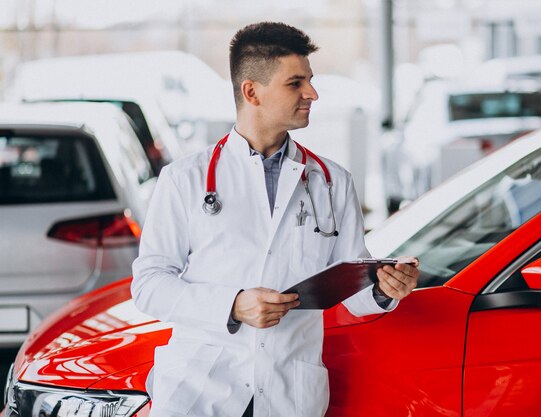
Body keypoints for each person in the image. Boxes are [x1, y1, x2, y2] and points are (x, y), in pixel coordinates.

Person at [131, 21, 419, 417]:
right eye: (295, 83)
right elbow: (149, 285)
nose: (312, 93)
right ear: (251, 91)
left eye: (310, 81)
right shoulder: (185, 179)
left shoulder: (332, 181)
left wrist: (384, 288)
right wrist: (232, 305)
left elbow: (352, 289)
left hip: (289, 391)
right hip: (202, 390)